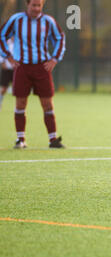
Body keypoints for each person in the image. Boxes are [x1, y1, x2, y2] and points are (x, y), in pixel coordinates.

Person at [0, 0, 66, 149]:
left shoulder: (48, 21)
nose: (36, 8)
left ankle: (53, 139)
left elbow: (60, 38)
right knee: (21, 103)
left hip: (42, 67)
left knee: (47, 103)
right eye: (33, 5)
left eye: (39, 5)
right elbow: (2, 35)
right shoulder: (16, 20)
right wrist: (8, 56)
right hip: (22, 67)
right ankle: (20, 139)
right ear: (27, 5)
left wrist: (55, 59)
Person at [0, 38, 14, 111]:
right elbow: (2, 54)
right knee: (4, 88)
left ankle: (18, 107)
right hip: (7, 69)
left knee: (18, 89)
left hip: (16, 70)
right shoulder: (6, 44)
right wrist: (2, 63)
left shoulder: (19, 43)